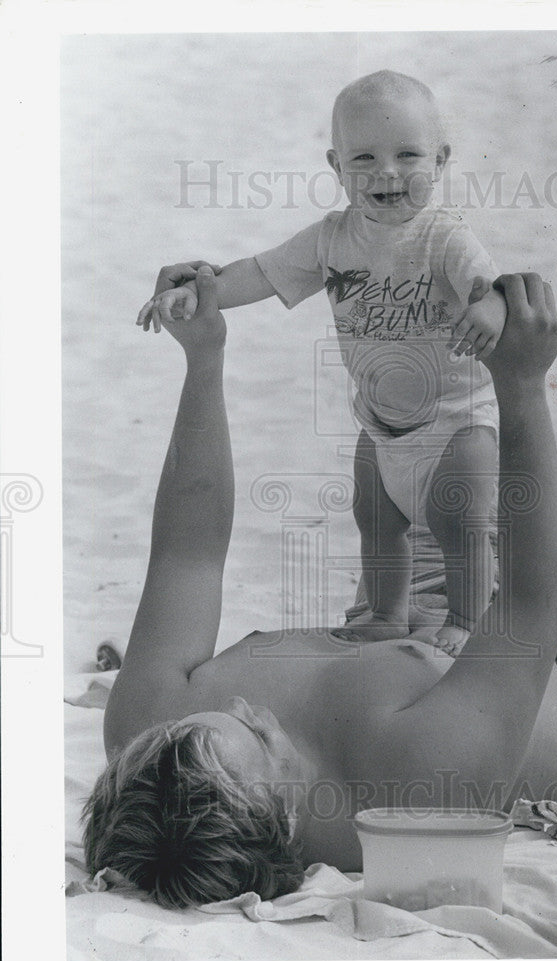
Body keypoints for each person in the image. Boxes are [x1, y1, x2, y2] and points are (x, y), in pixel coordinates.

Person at [84, 265, 557, 909]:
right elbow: (534, 600)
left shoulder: (151, 736)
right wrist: (522, 385)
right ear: (283, 821)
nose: (248, 708)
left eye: (210, 717)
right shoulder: (415, 785)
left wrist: (203, 357)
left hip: (408, 636)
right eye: (257, 740)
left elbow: (188, 551)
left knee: (426, 394)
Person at [136, 70, 509, 656]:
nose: (386, 172)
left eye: (407, 154)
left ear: (440, 161)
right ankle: (387, 612)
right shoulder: (332, 239)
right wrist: (200, 289)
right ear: (336, 167)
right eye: (364, 158)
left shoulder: (446, 240)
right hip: (382, 422)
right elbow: (260, 272)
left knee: (460, 526)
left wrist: (487, 308)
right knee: (377, 520)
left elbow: (492, 290)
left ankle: (465, 618)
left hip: (457, 418)